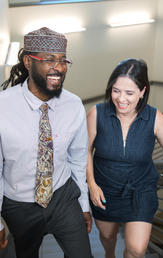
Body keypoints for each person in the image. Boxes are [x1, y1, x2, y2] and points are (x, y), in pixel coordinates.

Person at [0, 27, 93, 258]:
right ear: (28, 62)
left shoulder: (73, 105)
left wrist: (83, 203)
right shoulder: (3, 107)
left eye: (63, 60)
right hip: (19, 205)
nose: (59, 67)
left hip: (63, 197)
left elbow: (78, 159)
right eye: (49, 60)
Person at [86, 58, 163, 258]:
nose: (121, 99)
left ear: (142, 91)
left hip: (140, 191)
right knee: (108, 238)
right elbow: (84, 151)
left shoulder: (155, 118)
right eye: (116, 90)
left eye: (129, 93)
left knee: (136, 250)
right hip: (104, 190)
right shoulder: (97, 113)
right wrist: (92, 184)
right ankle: (109, 254)